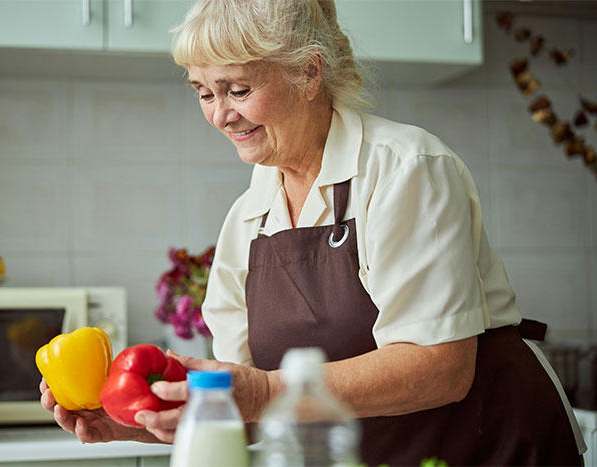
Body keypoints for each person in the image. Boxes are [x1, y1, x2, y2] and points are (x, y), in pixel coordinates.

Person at [40, 0, 586, 464]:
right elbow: (246, 410)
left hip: (488, 449)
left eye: (237, 88)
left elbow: (440, 367)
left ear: (309, 74)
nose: (221, 116)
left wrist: (261, 392)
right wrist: (135, 420)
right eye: (205, 93)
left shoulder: (405, 168)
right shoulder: (248, 219)